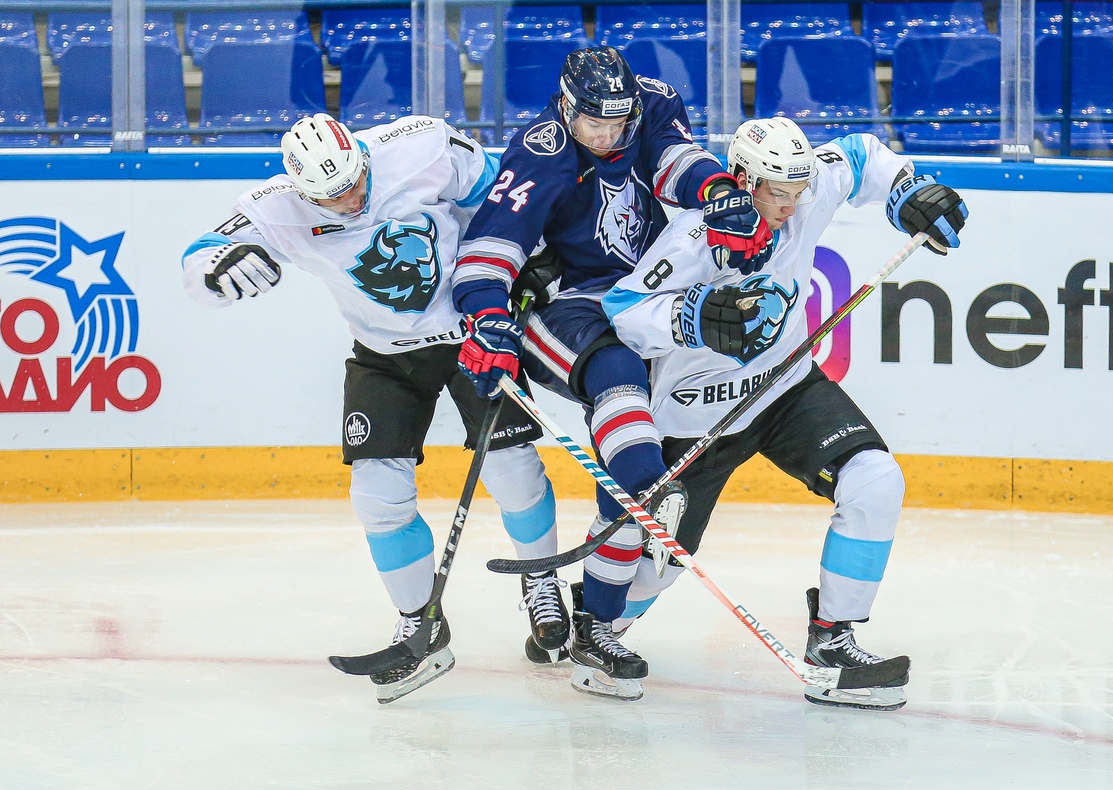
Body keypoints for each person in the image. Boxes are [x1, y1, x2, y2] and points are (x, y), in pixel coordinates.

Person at [180, 113, 567, 704]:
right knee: (377, 496)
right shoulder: (276, 207)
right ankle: (420, 624)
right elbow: (203, 255)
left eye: (355, 183)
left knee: (512, 467)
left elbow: (506, 196)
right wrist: (215, 271)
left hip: (472, 334)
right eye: (331, 198)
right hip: (385, 356)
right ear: (302, 191)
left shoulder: (422, 146)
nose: (351, 201)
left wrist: (531, 265)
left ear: (362, 156)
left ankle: (541, 581)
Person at [603, 117, 968, 709]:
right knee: (658, 568)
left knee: (875, 481)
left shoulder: (802, 189)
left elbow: (859, 154)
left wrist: (909, 189)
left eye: (798, 192)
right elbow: (622, 311)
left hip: (786, 386)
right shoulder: (695, 236)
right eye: (777, 193)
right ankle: (596, 626)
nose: (791, 207)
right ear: (742, 179)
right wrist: (692, 319)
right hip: (698, 418)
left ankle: (833, 641)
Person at [451, 47, 774, 700]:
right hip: (566, 307)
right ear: (567, 108)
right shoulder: (542, 150)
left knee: (627, 465)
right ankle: (642, 490)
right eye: (594, 124)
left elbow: (675, 159)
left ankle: (597, 630)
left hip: (646, 299)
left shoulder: (650, 104)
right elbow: (487, 250)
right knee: (620, 389)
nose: (607, 136)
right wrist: (486, 317)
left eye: (618, 124)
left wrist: (719, 193)